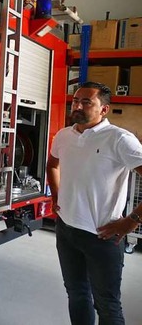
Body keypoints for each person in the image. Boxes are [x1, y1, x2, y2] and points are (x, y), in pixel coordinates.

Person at [46, 81, 142, 325]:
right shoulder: (64, 135)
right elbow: (52, 164)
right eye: (75, 101)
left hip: (101, 235)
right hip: (66, 229)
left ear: (104, 109)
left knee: (107, 305)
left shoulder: (120, 139)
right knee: (77, 294)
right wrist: (57, 193)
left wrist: (131, 222)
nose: (77, 106)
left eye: (86, 102)